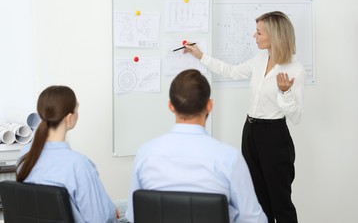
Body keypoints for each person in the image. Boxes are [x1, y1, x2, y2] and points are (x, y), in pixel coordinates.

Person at [184, 11, 305, 223]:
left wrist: (285, 92)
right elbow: (231, 71)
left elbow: (296, 116)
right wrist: (200, 56)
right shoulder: (260, 59)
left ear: (274, 36)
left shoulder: (295, 69)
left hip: (274, 137)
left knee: (280, 203)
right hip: (250, 132)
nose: (254, 35)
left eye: (259, 32)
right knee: (258, 201)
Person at [125, 69, 267, 223]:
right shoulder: (229, 159)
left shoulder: (145, 154)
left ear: (171, 106)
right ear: (209, 105)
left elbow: (134, 216)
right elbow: (253, 220)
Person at [16, 85, 118, 223]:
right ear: (69, 118)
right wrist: (111, 210)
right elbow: (101, 219)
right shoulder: (78, 164)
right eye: (77, 108)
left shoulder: (25, 154)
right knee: (125, 207)